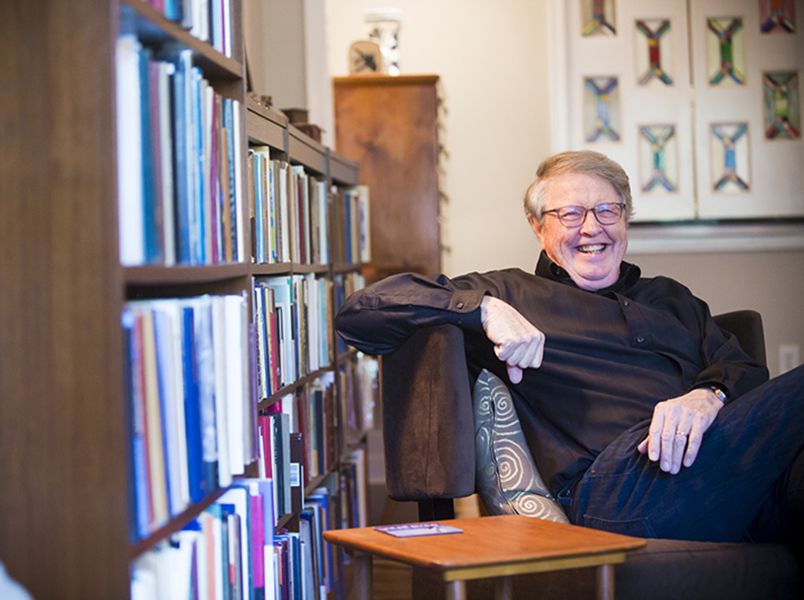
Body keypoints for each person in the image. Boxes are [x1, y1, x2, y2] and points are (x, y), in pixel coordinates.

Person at [335, 150, 804, 544]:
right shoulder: (511, 295)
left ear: (625, 220)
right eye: (570, 214)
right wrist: (482, 310)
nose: (591, 228)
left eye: (607, 210)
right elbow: (361, 313)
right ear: (538, 228)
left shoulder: (673, 299)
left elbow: (743, 368)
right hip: (623, 492)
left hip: (732, 478)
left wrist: (707, 396)